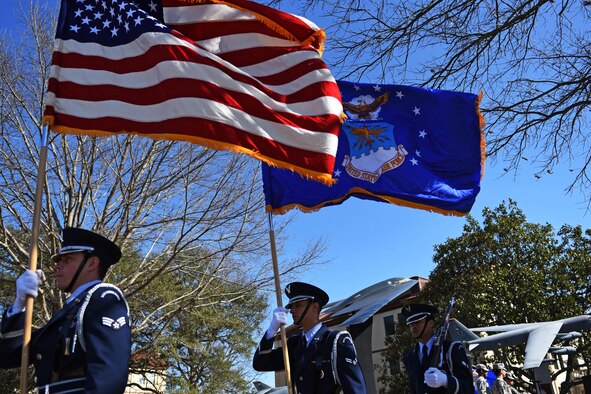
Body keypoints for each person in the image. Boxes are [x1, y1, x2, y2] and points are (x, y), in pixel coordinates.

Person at [0, 227, 131, 393]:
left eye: (67, 259)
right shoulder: (69, 313)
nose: (56, 266)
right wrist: (20, 305)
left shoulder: (104, 299)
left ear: (92, 263)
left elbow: (108, 378)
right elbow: (8, 355)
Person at [252, 281, 367, 393]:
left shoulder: (335, 341)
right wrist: (272, 330)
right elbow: (260, 364)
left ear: (315, 307)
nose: (292, 310)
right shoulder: (294, 344)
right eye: (291, 306)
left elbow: (355, 390)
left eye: (298, 305)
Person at [402, 303, 473, 394]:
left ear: (431, 323)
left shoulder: (451, 348)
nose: (413, 327)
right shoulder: (410, 357)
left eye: (417, 322)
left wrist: (446, 380)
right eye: (410, 324)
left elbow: (467, 387)